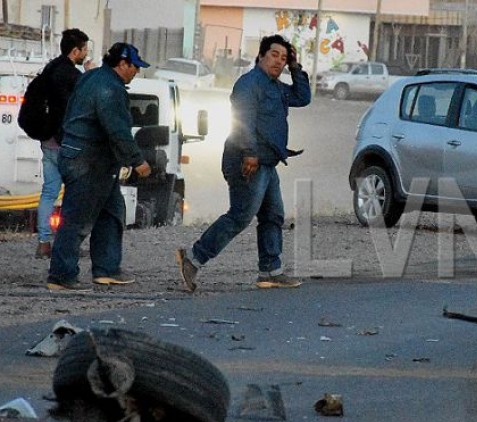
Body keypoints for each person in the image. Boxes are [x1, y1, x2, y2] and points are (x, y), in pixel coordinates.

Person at [176, 34, 311, 292]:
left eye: (283, 58)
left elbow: (303, 97)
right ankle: (192, 259)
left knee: (273, 216)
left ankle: (270, 271)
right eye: (274, 55)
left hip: (267, 163)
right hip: (247, 160)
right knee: (240, 216)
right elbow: (242, 119)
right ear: (260, 56)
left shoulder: (277, 87)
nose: (278, 62)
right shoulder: (249, 84)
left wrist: (296, 68)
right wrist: (249, 153)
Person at [47, 43, 152, 291]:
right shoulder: (110, 89)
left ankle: (106, 270)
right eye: (135, 66)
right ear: (122, 64)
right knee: (77, 220)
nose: (137, 71)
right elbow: (116, 130)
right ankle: (61, 276)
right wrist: (138, 161)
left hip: (87, 158)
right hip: (90, 161)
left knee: (112, 212)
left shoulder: (92, 77)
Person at [35, 28, 94, 259]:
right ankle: (67, 243)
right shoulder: (72, 75)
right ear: (75, 51)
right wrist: (88, 73)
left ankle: (43, 242)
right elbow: (85, 97)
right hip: (66, 143)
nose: (86, 55)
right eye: (85, 50)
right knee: (73, 193)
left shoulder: (50, 69)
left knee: (49, 192)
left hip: (47, 140)